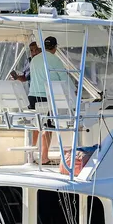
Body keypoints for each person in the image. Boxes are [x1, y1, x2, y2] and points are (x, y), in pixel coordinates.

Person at [27, 36, 68, 164]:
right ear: (55, 47)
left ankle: (30, 156)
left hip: (33, 96)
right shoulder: (55, 60)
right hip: (47, 97)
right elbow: (64, 80)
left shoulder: (34, 60)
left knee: (36, 124)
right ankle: (44, 157)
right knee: (48, 127)